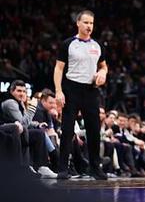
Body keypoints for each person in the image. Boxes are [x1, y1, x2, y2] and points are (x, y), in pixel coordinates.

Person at [54, 10, 109, 180]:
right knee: (67, 129)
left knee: (94, 130)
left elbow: (104, 66)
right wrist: (58, 91)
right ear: (78, 23)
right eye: (86, 22)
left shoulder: (97, 45)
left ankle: (95, 168)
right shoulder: (68, 44)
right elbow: (59, 68)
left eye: (91, 23)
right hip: (71, 88)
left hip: (91, 90)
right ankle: (63, 168)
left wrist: (103, 73)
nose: (89, 26)